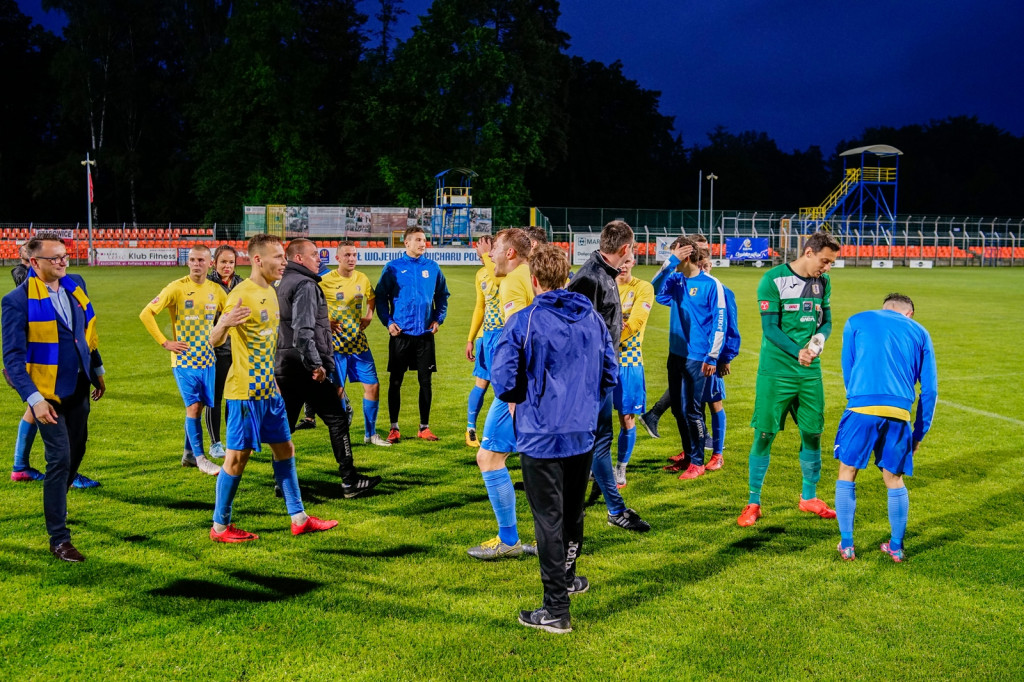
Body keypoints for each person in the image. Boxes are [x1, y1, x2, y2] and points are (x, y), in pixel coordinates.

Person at [492, 244, 618, 635]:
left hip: (541, 433)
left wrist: (520, 401)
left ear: (534, 280)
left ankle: (556, 609)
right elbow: (610, 371)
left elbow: (504, 380)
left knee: (548, 520)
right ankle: (569, 579)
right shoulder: (592, 318)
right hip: (581, 432)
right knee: (573, 512)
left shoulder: (525, 320)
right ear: (565, 276)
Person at [208, 234, 337, 542]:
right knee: (236, 459)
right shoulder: (241, 294)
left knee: (285, 448)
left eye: (284, 256)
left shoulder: (272, 291)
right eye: (278, 257)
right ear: (257, 260)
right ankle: (220, 527)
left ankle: (299, 518)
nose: (284, 262)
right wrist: (224, 324)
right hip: (245, 394)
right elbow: (213, 339)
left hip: (270, 390)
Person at [2, 235, 107, 562]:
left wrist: (98, 369)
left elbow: (84, 334)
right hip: (46, 394)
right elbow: (13, 360)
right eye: (55, 258)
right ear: (33, 263)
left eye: (64, 256)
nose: (63, 262)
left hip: (78, 385)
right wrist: (34, 399)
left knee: (76, 452)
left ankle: (56, 502)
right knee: (59, 459)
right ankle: (59, 538)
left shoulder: (76, 285)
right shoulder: (16, 301)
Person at [737, 230, 841, 527]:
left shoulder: (824, 282)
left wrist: (819, 339)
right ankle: (753, 501)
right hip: (777, 372)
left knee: (813, 432)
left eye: (831, 262)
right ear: (808, 253)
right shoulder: (773, 280)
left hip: (809, 374)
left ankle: (808, 497)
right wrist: (798, 351)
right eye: (825, 261)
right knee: (765, 434)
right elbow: (770, 329)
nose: (828, 268)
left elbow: (828, 321)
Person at [834, 293, 937, 562]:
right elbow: (930, 390)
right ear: (909, 313)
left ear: (885, 308)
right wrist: (919, 433)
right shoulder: (921, 332)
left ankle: (847, 545)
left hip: (860, 408)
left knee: (847, 471)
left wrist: (857, 397)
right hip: (898, 413)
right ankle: (896, 546)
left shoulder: (856, 321)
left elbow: (849, 367)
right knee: (894, 479)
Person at [276, 238, 381, 497]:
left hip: (284, 365)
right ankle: (349, 481)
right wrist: (317, 365)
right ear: (298, 258)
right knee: (338, 418)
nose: (319, 258)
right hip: (306, 368)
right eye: (313, 254)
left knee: (285, 426)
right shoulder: (305, 284)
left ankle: (282, 482)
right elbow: (303, 332)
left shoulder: (282, 282)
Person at [567, 220, 650, 532]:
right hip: (590, 377)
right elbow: (573, 329)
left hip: (601, 373)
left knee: (599, 441)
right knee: (589, 442)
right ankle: (571, 510)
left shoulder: (601, 273)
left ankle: (615, 509)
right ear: (626, 248)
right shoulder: (590, 277)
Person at [467, 228, 538, 560]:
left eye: (495, 248)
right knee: (546, 461)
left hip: (520, 389)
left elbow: (519, 342)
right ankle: (555, 540)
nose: (490, 254)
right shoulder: (530, 275)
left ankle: (511, 541)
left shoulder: (512, 281)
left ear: (510, 253)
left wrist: (512, 394)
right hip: (536, 385)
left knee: (490, 457)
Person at [140, 244, 225, 476]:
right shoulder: (176, 288)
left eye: (201, 260)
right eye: (193, 260)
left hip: (208, 359)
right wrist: (165, 342)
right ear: (188, 262)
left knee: (199, 408)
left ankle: (188, 454)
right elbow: (146, 313)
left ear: (210, 264)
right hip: (184, 360)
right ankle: (200, 459)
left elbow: (228, 317)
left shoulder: (216, 291)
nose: (197, 264)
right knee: (194, 406)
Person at [375, 226, 450, 442]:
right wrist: (388, 322)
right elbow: (380, 297)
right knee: (396, 381)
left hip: (425, 335)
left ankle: (424, 427)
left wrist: (438, 319)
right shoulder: (393, 268)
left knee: (425, 382)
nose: (422, 243)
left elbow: (443, 296)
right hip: (401, 334)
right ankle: (394, 427)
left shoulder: (432, 267)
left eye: (424, 239)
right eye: (417, 240)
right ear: (406, 243)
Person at [319, 241, 391, 447]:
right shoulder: (325, 281)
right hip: (336, 345)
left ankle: (371, 434)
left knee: (373, 386)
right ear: (338, 258)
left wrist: (368, 316)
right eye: (347, 255)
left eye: (354, 255)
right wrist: (324, 321)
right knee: (338, 391)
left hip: (358, 342)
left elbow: (372, 297)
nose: (351, 259)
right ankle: (342, 435)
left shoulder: (362, 278)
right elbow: (312, 303)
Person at [612, 253, 654, 489]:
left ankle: (621, 467)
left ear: (633, 262)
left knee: (626, 418)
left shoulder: (644, 288)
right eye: (620, 262)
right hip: (604, 361)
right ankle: (596, 465)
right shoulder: (605, 287)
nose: (623, 266)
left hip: (629, 361)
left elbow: (636, 323)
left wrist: (606, 339)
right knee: (595, 419)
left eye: (627, 261)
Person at [698, 258, 740, 469]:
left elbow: (730, 326)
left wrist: (726, 357)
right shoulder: (691, 287)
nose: (704, 270)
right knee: (693, 407)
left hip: (711, 359)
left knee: (714, 403)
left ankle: (717, 454)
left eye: (706, 265)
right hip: (692, 356)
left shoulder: (723, 291)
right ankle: (693, 449)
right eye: (700, 265)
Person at [207, 244, 244, 457]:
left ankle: (233, 440)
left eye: (231, 262)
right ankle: (215, 443)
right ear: (215, 263)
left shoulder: (241, 284)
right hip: (216, 349)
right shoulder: (208, 285)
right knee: (215, 397)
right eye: (223, 262)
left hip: (238, 350)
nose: (227, 266)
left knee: (235, 397)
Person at [464, 235, 501, 447]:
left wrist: (487, 256)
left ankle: (498, 433)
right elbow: (480, 307)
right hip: (485, 337)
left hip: (503, 336)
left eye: (485, 250)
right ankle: (471, 429)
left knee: (502, 387)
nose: (481, 255)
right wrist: (471, 338)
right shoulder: (480, 274)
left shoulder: (505, 273)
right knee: (481, 382)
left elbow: (497, 281)